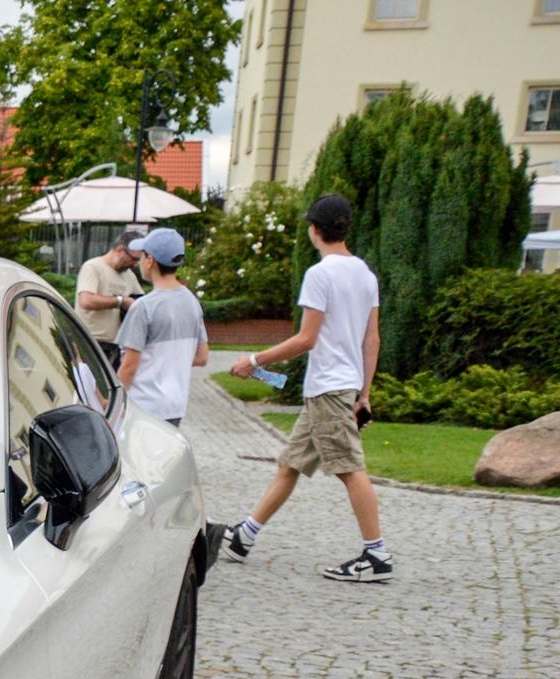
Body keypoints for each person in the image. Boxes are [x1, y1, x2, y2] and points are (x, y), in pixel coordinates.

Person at [225, 193, 389, 582]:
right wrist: (364, 395)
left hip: (328, 388)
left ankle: (376, 556)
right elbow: (373, 340)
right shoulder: (366, 274)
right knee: (290, 464)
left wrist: (253, 361)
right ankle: (243, 537)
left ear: (315, 229)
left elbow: (305, 339)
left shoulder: (320, 275)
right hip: (339, 389)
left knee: (350, 468)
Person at [112, 226, 207, 426]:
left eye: (142, 256)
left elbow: (129, 366)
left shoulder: (144, 307)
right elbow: (201, 357)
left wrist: (113, 405)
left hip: (143, 406)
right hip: (175, 406)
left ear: (151, 261)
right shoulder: (192, 302)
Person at [74, 228, 143, 348]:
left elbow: (141, 302)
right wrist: (121, 301)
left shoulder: (129, 275)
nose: (135, 264)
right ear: (120, 250)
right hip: (89, 341)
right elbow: (86, 301)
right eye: (134, 259)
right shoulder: (93, 267)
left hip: (115, 343)